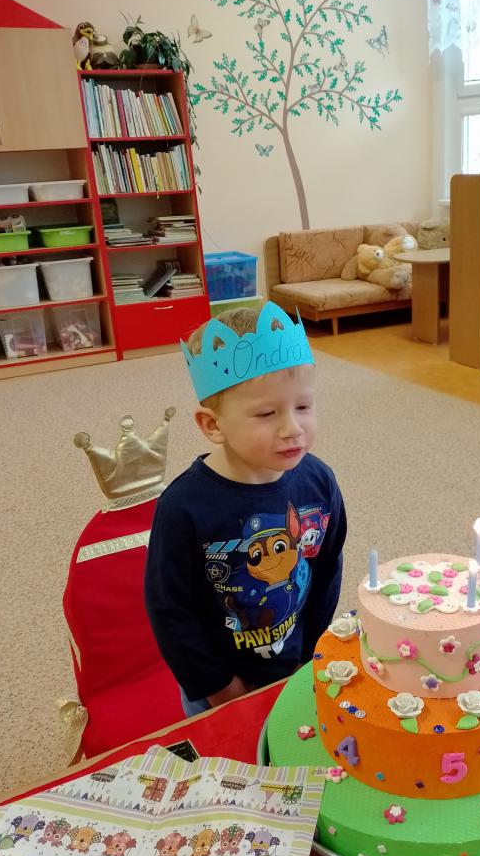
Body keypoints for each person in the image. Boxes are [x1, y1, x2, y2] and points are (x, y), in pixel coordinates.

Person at [144, 302, 346, 717]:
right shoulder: (183, 508)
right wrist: (219, 687)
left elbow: (327, 566)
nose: (292, 428)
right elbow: (170, 609)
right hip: (218, 686)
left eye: (303, 406)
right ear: (212, 425)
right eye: (267, 413)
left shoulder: (319, 481)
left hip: (299, 665)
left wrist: (313, 650)